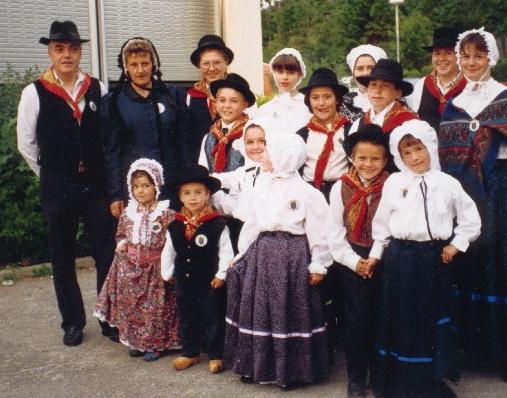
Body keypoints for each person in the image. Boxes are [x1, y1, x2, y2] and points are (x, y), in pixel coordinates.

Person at [437, 27, 507, 382]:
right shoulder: (454, 102)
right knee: (471, 264)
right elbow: (447, 155)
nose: (470, 62)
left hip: (498, 187)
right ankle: (477, 347)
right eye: (465, 55)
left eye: (478, 55)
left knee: (502, 267)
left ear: (491, 58)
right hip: (464, 193)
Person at [17, 20, 116, 346]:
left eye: (73, 48)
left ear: (80, 50)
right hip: (58, 185)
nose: (67, 54)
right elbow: (26, 144)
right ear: (50, 51)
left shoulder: (98, 87)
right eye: (60, 48)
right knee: (62, 255)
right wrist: (51, 175)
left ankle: (108, 317)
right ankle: (72, 322)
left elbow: (108, 137)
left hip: (95, 185)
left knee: (106, 251)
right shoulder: (34, 92)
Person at [369, 120, 481, 398]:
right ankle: (399, 379)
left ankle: (429, 380)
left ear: (430, 147)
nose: (415, 157)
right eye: (406, 152)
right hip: (401, 259)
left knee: (429, 318)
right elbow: (382, 224)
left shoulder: (447, 184)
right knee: (402, 318)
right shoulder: (394, 183)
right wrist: (375, 256)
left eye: (418, 148)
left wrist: (456, 245)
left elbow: (471, 219)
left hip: (433, 259)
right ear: (398, 156)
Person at [224, 133, 332, 389]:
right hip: (263, 253)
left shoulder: (307, 193)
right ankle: (256, 366)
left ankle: (292, 370)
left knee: (290, 309)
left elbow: (320, 230)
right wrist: (242, 254)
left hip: (293, 256)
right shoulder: (263, 185)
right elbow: (252, 223)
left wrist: (318, 263)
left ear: (285, 156)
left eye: (268, 151)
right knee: (259, 309)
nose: (262, 155)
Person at [326, 124, 390, 398]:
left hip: (384, 256)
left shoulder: (393, 184)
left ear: (385, 160)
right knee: (356, 319)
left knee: (383, 317)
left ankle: (380, 374)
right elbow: (335, 232)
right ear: (352, 157)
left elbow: (389, 227)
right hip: (351, 257)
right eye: (362, 158)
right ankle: (356, 377)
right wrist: (354, 262)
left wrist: (374, 257)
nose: (368, 164)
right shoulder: (342, 187)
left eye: (375, 159)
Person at [94, 158, 180, 361]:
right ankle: (138, 342)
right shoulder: (128, 213)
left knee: (155, 310)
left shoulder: (166, 214)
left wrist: (168, 266)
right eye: (136, 186)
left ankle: (155, 344)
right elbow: (121, 235)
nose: (140, 191)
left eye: (146, 186)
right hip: (131, 269)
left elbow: (173, 241)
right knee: (134, 308)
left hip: (155, 270)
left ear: (156, 186)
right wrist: (123, 245)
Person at [102, 37, 190, 216]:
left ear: (153, 64)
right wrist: (115, 195)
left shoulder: (173, 96)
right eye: (134, 65)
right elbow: (112, 152)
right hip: (135, 189)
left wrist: (189, 184)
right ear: (126, 67)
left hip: (172, 184)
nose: (140, 70)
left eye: (145, 63)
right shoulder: (114, 101)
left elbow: (185, 144)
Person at [161, 164, 233, 373]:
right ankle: (190, 352)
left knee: (212, 317)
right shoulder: (175, 225)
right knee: (187, 316)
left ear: (207, 194)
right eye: (187, 193)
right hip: (184, 280)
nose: (193, 198)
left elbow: (226, 251)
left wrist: (221, 274)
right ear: (180, 197)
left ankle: (215, 354)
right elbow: (169, 251)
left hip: (209, 282)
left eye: (198, 192)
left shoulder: (217, 223)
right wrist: (167, 272)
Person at [210, 117, 274, 252]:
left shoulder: (278, 172)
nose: (256, 147)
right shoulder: (243, 172)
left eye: (262, 141)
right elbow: (222, 179)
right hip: (241, 230)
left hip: (267, 234)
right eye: (250, 142)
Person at [349, 59, 418, 172]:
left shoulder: (410, 124)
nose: (377, 90)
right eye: (373, 85)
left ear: (398, 93)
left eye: (385, 85)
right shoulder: (358, 124)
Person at [297, 67, 352, 199]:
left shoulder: (349, 131)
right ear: (309, 101)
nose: (321, 103)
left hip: (340, 192)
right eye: (315, 98)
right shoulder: (302, 135)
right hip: (309, 193)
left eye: (327, 97)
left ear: (337, 99)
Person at [409, 27, 466, 131]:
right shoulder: (421, 85)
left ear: (459, 56)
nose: (442, 59)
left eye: (448, 53)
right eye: (437, 53)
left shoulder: (470, 85)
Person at [187, 35, 235, 157]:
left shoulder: (240, 94)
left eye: (217, 63)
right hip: (201, 167)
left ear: (226, 63)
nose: (212, 68)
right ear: (199, 65)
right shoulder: (190, 97)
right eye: (206, 64)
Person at [198, 73, 255, 173]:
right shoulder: (208, 138)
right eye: (222, 100)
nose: (227, 105)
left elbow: (252, 171)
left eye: (234, 101)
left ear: (244, 104)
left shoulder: (251, 134)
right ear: (215, 104)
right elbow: (203, 170)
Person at [256, 48, 312, 134]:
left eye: (290, 72)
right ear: (274, 73)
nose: (285, 77)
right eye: (280, 72)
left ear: (299, 74)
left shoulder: (309, 106)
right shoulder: (264, 110)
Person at [341, 44, 388, 121]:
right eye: (359, 69)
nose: (365, 73)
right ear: (353, 73)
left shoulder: (394, 102)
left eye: (371, 68)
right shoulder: (343, 105)